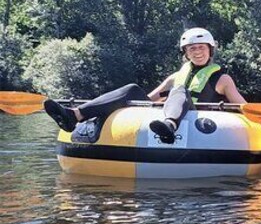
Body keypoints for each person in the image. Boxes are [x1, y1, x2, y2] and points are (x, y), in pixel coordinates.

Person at [43, 27, 246, 144]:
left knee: (180, 90)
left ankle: (170, 126)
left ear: (210, 50)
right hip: (165, 115)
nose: (197, 52)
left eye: (201, 48)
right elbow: (147, 101)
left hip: (198, 120)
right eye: (192, 49)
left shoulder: (222, 80)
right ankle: (75, 115)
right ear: (186, 53)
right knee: (132, 89)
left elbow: (243, 107)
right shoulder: (176, 76)